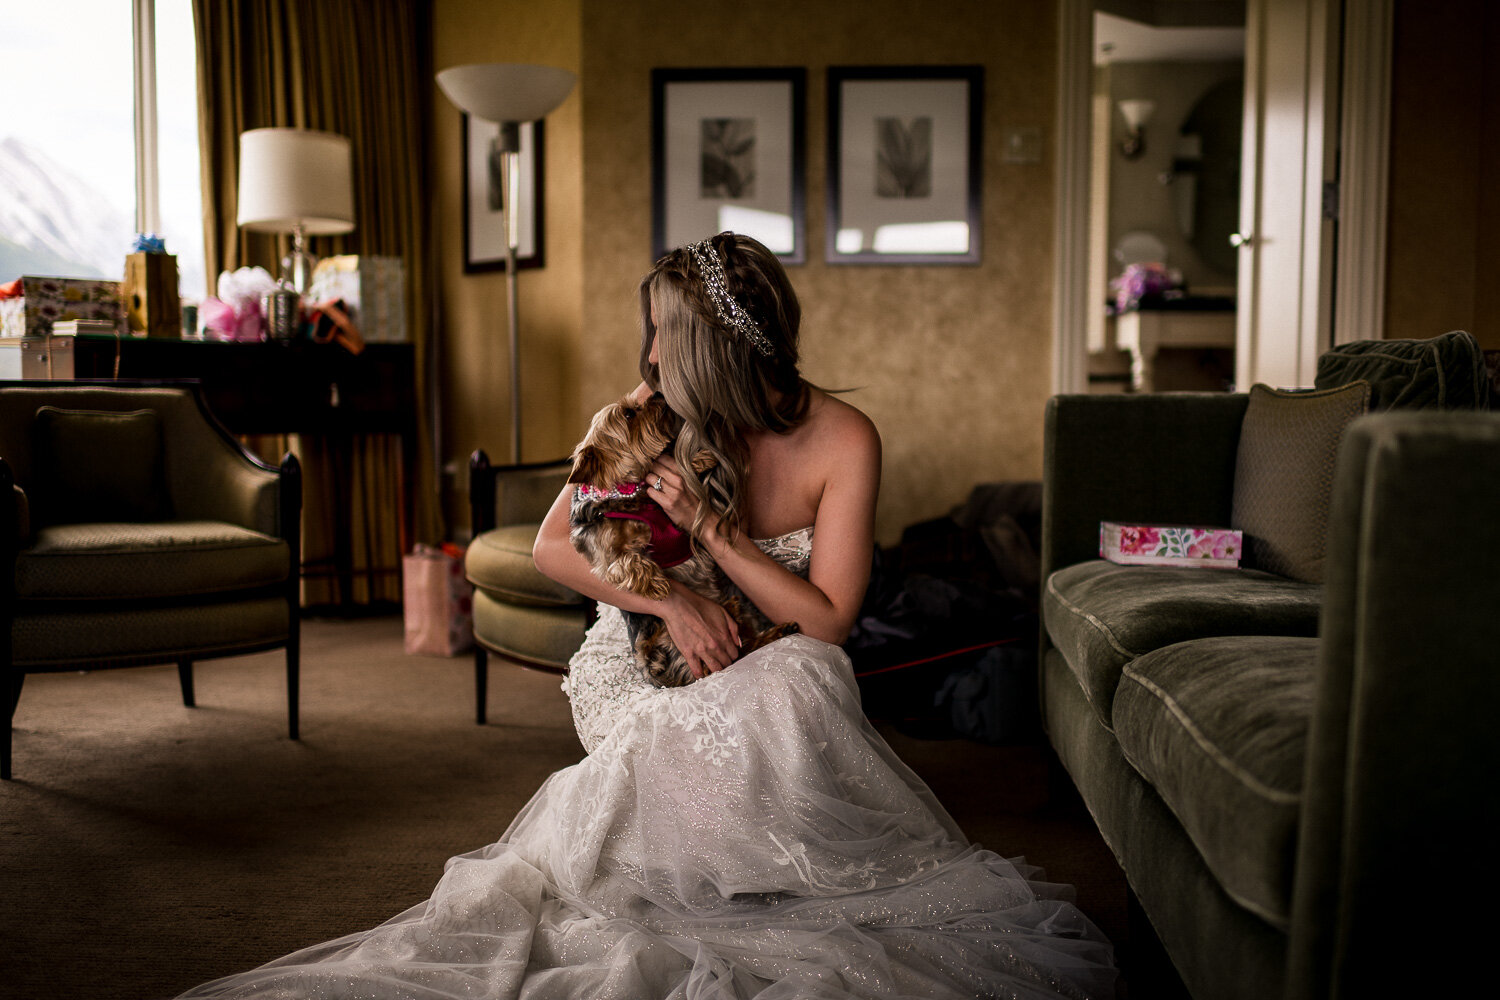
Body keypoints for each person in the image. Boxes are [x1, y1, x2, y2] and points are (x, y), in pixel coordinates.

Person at [177, 233, 1116, 999]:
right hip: (639, 648)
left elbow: (829, 618)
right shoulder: (647, 414)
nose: (651, 355)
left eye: (663, 335)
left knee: (796, 679)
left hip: (778, 650)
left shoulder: (843, 439)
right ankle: (708, 875)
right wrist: (674, 593)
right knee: (693, 741)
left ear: (709, 348)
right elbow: (554, 547)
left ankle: (751, 879)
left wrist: (716, 531)